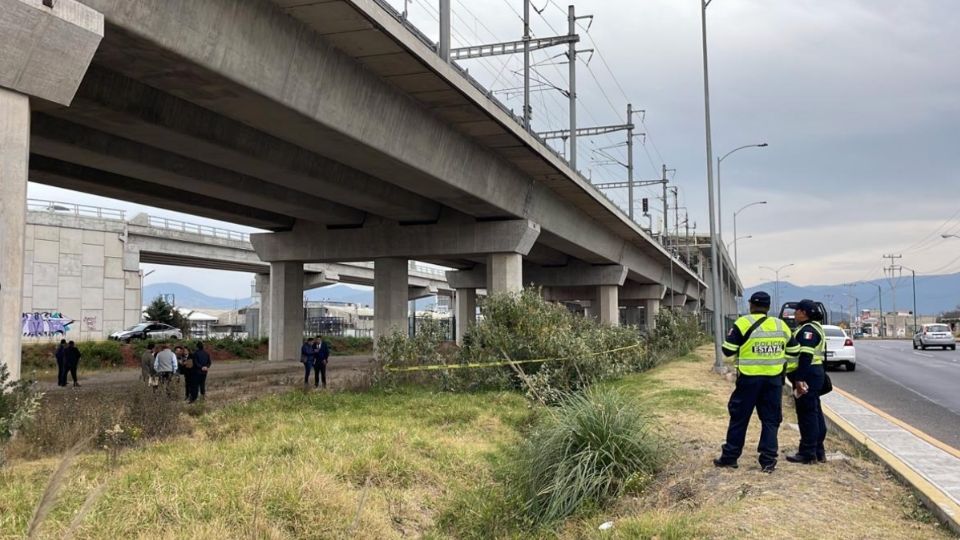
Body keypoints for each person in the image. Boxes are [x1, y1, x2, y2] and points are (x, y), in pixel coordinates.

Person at [714, 291, 799, 473]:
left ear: (751, 305)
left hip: (749, 380)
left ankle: (730, 457)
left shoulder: (742, 323)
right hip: (773, 381)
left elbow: (728, 350)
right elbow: (794, 351)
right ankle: (768, 461)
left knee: (739, 418)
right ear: (768, 307)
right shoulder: (781, 325)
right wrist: (787, 368)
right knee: (770, 420)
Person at [785, 299, 828, 464]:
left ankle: (807, 453)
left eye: (797, 311)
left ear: (804, 313)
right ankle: (818, 450)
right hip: (814, 374)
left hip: (808, 374)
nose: (794, 314)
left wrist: (799, 380)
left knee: (807, 415)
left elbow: (805, 356)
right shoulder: (812, 327)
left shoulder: (807, 331)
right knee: (814, 412)